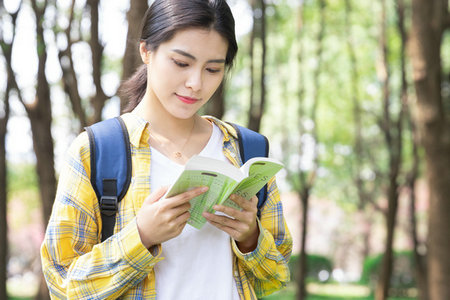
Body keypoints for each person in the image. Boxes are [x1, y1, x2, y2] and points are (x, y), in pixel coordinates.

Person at [40, 0, 292, 299]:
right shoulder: (97, 150)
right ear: (146, 51)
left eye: (213, 69)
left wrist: (250, 238)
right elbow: (63, 285)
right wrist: (142, 236)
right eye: (182, 63)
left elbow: (276, 277)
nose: (195, 83)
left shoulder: (245, 149)